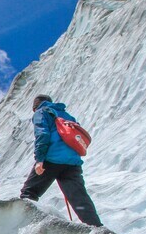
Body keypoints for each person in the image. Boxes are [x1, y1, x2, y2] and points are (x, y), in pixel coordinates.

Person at [20, 95, 102, 226]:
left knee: (29, 193)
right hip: (72, 162)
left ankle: (22, 224)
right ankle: (96, 227)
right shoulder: (67, 115)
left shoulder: (41, 113)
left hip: (51, 159)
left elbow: (42, 134)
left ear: (35, 107)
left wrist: (40, 160)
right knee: (79, 198)